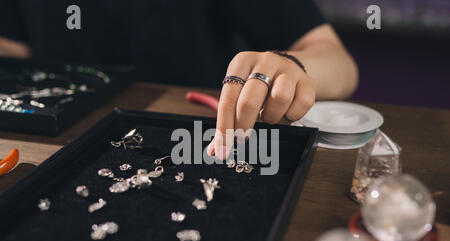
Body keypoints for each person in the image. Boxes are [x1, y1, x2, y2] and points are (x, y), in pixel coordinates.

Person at [0, 0, 358, 159]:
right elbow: (17, 56)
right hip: (52, 147)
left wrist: (291, 67)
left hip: (199, 138)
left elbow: (338, 63)